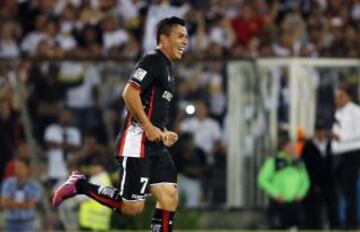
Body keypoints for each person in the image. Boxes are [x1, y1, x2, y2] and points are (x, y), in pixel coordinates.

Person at [52, 16, 188, 232]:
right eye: (180, 36)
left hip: (154, 143)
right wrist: (149, 127)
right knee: (133, 207)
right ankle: (79, 185)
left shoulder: (167, 67)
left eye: (186, 37)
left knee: (169, 197)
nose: (186, 41)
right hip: (137, 142)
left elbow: (149, 107)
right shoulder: (153, 60)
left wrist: (162, 132)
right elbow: (129, 94)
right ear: (164, 38)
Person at [257, 132, 310, 229]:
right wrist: (276, 193)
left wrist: (300, 193)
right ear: (283, 147)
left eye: (292, 145)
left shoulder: (298, 162)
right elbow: (262, 180)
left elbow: (305, 180)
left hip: (295, 203)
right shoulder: (273, 162)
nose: (292, 148)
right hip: (279, 203)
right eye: (289, 145)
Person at [332, 84, 360, 229]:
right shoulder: (338, 112)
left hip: (352, 153)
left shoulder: (356, 112)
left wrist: (341, 137)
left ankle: (352, 222)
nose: (338, 99)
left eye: (341, 96)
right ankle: (343, 220)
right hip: (339, 154)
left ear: (348, 96)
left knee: (350, 189)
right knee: (341, 188)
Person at [302, 121, 339, 229]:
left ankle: (334, 226)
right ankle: (313, 227)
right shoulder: (308, 145)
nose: (321, 134)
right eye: (318, 131)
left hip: (330, 180)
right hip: (314, 181)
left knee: (332, 204)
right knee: (313, 206)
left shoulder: (332, 144)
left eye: (323, 131)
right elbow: (305, 163)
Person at [0, 156, 42, 232]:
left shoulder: (34, 185)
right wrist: (24, 204)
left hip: (28, 222)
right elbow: (3, 202)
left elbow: (31, 204)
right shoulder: (7, 183)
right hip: (11, 223)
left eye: (20, 167)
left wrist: (12, 203)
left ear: (27, 169)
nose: (17, 170)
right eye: (16, 167)